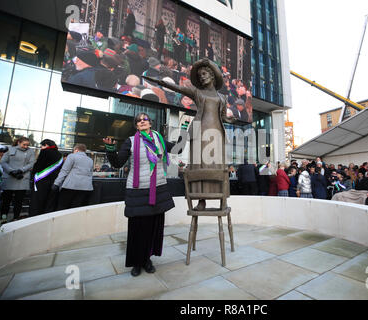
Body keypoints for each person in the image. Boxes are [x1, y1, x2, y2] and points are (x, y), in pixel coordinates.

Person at [142, 58, 237, 211]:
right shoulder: (196, 91)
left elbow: (224, 116)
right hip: (199, 131)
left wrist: (230, 119)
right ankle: (201, 200)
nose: (202, 77)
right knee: (199, 164)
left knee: (217, 165)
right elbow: (177, 87)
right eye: (200, 75)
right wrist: (161, 82)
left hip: (216, 132)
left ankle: (221, 197)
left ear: (212, 76)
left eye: (205, 74)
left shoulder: (223, 98)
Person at [103, 113, 177, 277]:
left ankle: (147, 260)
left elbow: (178, 149)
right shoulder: (131, 141)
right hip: (137, 190)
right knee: (137, 228)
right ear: (136, 125)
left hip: (157, 189)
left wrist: (186, 133)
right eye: (138, 120)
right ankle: (136, 262)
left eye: (145, 119)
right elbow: (117, 163)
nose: (142, 121)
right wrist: (110, 149)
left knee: (152, 227)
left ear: (150, 123)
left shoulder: (159, 139)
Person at [0, 137, 35, 221]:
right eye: (24, 144)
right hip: (9, 178)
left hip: (22, 178)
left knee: (19, 201)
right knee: (6, 200)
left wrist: (21, 170)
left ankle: (16, 218)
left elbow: (31, 163)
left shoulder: (30, 151)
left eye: (27, 145)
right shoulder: (10, 149)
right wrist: (11, 172)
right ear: (19, 142)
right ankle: (3, 217)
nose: (26, 146)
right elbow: (3, 162)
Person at [53, 144, 93, 210]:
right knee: (76, 210)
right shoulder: (90, 160)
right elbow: (90, 174)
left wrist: (56, 183)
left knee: (63, 208)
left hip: (70, 186)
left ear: (76, 150)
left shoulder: (72, 156)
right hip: (86, 188)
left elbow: (64, 171)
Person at [29, 139, 63, 216]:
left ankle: (35, 216)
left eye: (42, 146)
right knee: (50, 201)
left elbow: (38, 165)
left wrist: (33, 173)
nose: (41, 148)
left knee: (38, 200)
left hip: (42, 180)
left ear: (47, 145)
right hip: (54, 180)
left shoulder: (45, 152)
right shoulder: (59, 154)